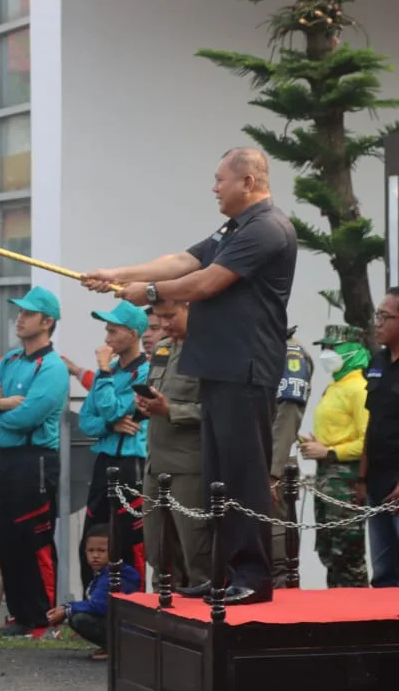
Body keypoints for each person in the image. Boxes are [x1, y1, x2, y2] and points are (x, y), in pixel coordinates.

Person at [84, 147, 297, 605]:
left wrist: (151, 290)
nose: (213, 187)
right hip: (218, 366)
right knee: (217, 479)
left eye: (221, 179)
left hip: (246, 366)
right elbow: (184, 260)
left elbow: (204, 283)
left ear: (249, 182)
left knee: (243, 475)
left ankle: (254, 575)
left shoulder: (267, 228)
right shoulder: (234, 228)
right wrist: (118, 273)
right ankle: (223, 571)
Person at [0, 286, 69, 636]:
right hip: (8, 459)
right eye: (19, 312)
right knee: (8, 537)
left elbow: (28, 416)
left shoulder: (52, 367)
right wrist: (2, 404)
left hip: (36, 461)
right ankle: (20, 614)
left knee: (35, 538)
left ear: (47, 322)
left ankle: (42, 618)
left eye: (28, 314)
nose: (19, 318)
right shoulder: (11, 360)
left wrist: (0, 410)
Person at [136, 299, 210, 590]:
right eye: (160, 319)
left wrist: (172, 411)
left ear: (191, 308)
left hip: (189, 467)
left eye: (170, 317)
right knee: (158, 552)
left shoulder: (211, 349)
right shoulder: (165, 348)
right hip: (155, 464)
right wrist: (146, 404)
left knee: (196, 554)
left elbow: (220, 410)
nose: (164, 325)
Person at [77, 301, 150, 592]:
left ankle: (134, 605)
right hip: (104, 459)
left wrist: (105, 372)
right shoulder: (104, 373)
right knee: (93, 535)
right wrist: (110, 425)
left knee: (129, 539)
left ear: (132, 334)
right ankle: (92, 602)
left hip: (131, 464)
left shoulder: (145, 372)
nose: (106, 338)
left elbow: (112, 408)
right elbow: (87, 420)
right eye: (106, 330)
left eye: (113, 331)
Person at [298, 325, 369, 588]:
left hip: (346, 480)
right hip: (326, 479)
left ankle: (361, 619)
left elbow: (367, 442)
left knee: (347, 555)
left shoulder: (359, 389)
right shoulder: (335, 387)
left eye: (334, 348)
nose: (327, 353)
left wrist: (328, 451)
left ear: (352, 351)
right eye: (325, 348)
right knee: (329, 551)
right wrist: (317, 444)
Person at [46, 525, 140, 661]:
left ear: (115, 552)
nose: (95, 556)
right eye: (91, 550)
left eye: (102, 551)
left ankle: (115, 648)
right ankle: (111, 646)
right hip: (121, 625)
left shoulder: (115, 576)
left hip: (128, 629)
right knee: (76, 615)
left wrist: (68, 609)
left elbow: (100, 606)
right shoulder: (104, 573)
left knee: (79, 619)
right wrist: (67, 608)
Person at [268, 329, 313, 587]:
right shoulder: (255, 343)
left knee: (276, 559)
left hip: (272, 469)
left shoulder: (288, 353)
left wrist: (272, 472)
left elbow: (286, 419)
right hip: (245, 466)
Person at [361, 289, 399, 587]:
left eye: (385, 317)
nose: (378, 323)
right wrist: (361, 479)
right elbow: (372, 422)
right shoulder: (378, 361)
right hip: (376, 483)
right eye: (378, 315)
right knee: (383, 572)